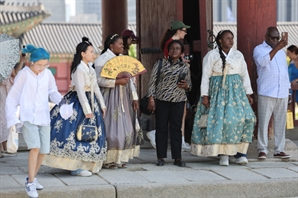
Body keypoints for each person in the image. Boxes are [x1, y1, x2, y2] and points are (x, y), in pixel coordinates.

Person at [42, 37, 107, 176]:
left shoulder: (90, 68)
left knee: (91, 133)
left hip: (91, 101)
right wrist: (87, 110)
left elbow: (95, 88)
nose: (93, 54)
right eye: (91, 52)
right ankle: (75, 167)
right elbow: (81, 91)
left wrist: (102, 105)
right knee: (74, 132)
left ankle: (86, 164)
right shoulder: (78, 69)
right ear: (83, 54)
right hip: (79, 103)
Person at [5, 44, 63, 198]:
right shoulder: (23, 74)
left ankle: (32, 177)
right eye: (39, 65)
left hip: (44, 116)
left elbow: (53, 91)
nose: (42, 68)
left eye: (45, 65)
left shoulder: (48, 74)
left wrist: (62, 102)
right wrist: (11, 118)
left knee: (44, 150)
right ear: (32, 62)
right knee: (35, 148)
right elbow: (12, 97)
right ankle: (30, 183)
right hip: (28, 116)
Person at [191, 30, 256, 166]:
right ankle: (224, 154)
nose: (231, 41)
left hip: (236, 93)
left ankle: (240, 153)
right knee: (224, 122)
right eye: (228, 38)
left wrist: (248, 93)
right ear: (220, 40)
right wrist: (205, 95)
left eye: (232, 38)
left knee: (246, 118)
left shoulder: (238, 55)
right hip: (218, 93)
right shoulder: (212, 55)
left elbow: (244, 75)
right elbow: (206, 76)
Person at [94, 34, 143, 169]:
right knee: (111, 128)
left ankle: (120, 158)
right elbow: (97, 81)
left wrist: (134, 97)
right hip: (109, 97)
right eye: (120, 44)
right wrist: (116, 82)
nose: (122, 46)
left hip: (124, 97)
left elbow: (131, 80)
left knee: (126, 128)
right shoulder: (101, 60)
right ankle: (107, 159)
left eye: (122, 44)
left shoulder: (123, 60)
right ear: (111, 46)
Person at [146, 20, 191, 151]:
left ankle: (180, 140)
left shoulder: (172, 43)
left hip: (178, 83)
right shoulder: (171, 45)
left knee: (179, 114)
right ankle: (157, 135)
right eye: (184, 30)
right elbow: (169, 63)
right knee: (172, 117)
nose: (186, 33)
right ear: (178, 31)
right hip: (171, 85)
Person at [253, 26, 291, 159]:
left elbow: (284, 72)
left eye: (277, 38)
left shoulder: (281, 52)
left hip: (282, 91)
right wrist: (277, 48)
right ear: (266, 37)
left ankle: (279, 149)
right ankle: (262, 149)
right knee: (263, 122)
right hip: (267, 90)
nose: (275, 40)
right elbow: (262, 62)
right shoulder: (259, 49)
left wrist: (289, 91)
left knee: (280, 121)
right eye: (272, 38)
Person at [0, 54, 26, 158]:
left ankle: (5, 146)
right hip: (1, 92)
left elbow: (14, 74)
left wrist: (21, 61)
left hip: (6, 92)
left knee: (6, 118)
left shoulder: (6, 62)